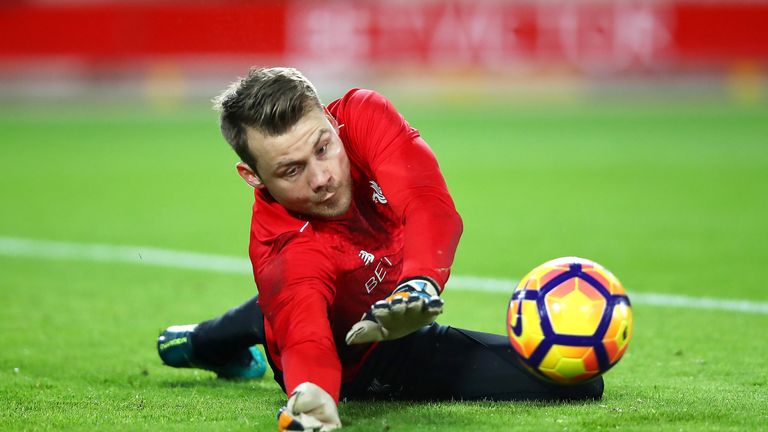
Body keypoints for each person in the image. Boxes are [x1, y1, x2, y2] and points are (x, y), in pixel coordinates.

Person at [157, 67, 603, 431]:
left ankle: (204, 339)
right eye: (291, 170)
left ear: (331, 121)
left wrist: (420, 283)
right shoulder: (282, 248)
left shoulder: (363, 115)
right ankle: (206, 339)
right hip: (363, 353)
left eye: (323, 147)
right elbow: (306, 337)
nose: (322, 178)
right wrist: (315, 396)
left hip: (377, 295)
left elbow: (429, 203)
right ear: (253, 177)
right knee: (579, 386)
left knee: (283, 304)